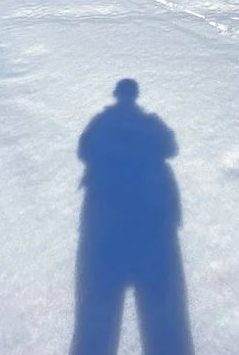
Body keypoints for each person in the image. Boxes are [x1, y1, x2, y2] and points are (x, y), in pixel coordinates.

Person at [70, 79, 194, 355]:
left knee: (97, 316)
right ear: (135, 96)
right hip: (151, 226)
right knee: (163, 316)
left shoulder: (101, 123)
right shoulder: (150, 124)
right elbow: (171, 148)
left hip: (105, 225)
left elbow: (83, 151)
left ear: (116, 95)